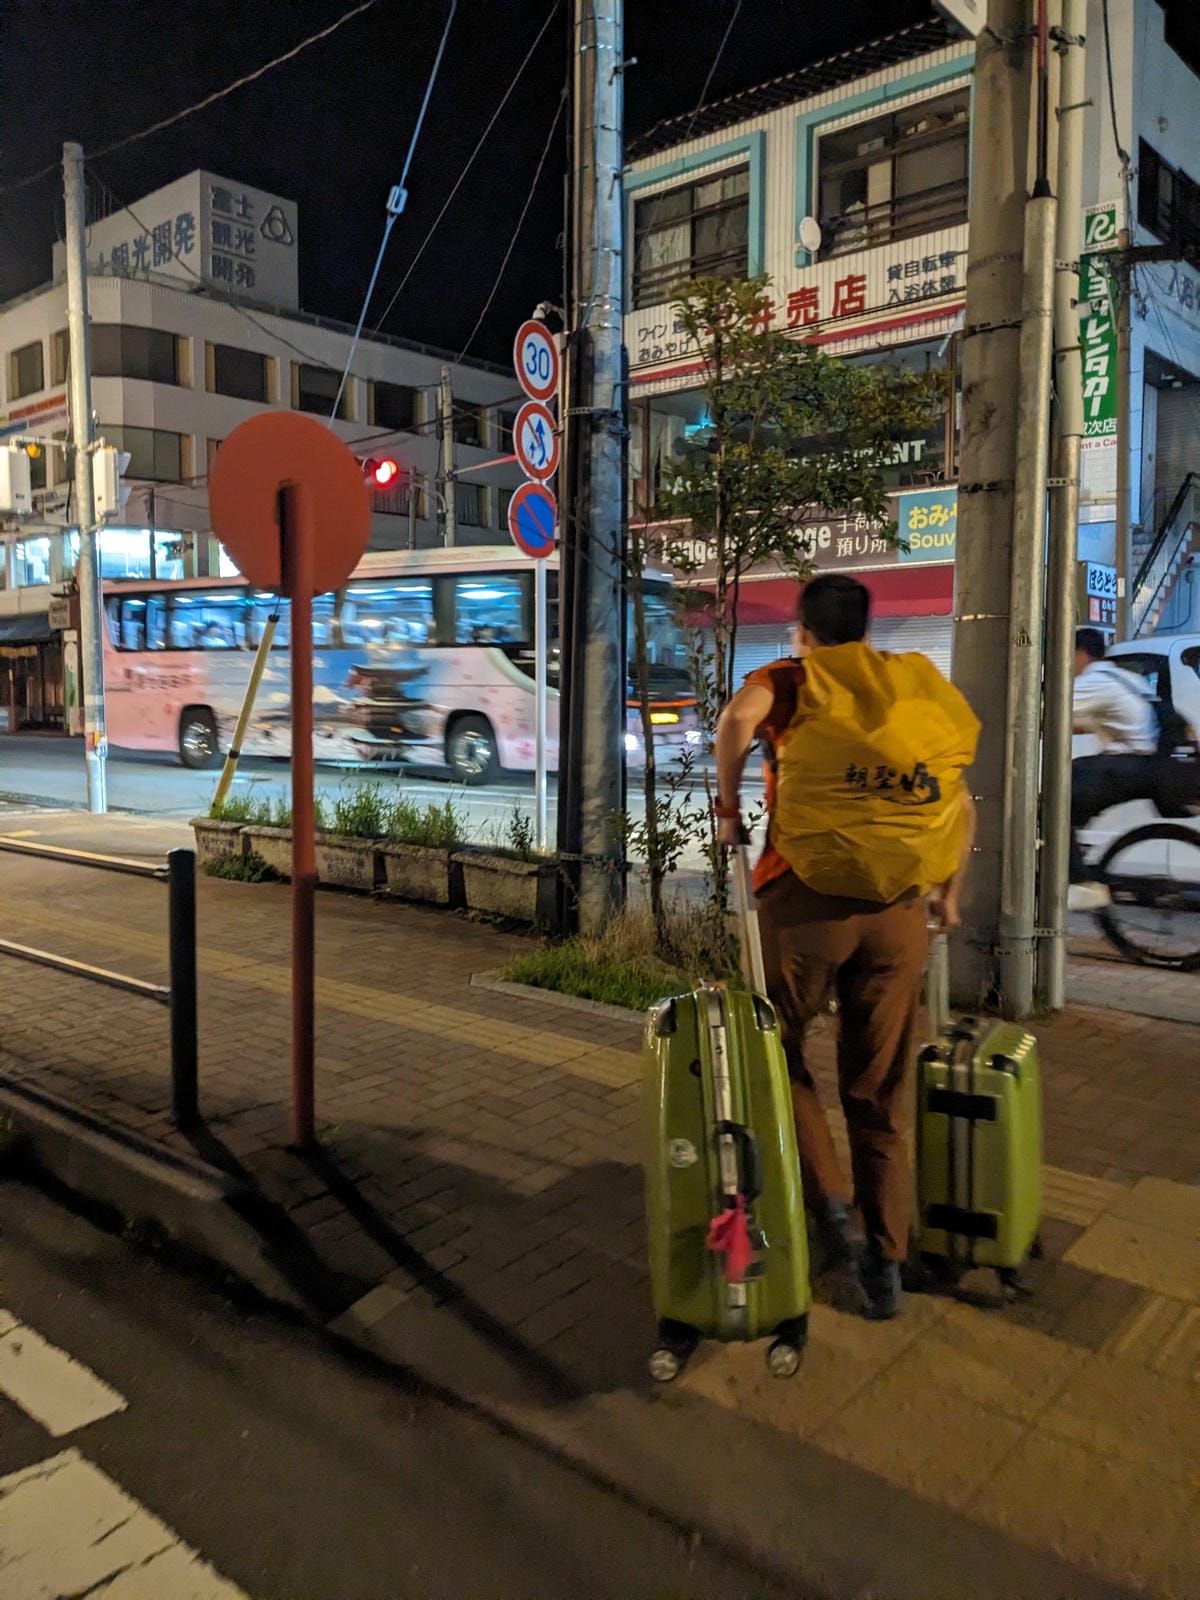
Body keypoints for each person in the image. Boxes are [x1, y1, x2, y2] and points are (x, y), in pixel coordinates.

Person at [714, 574, 978, 1320]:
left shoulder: (793, 680)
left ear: (802, 629)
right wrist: (947, 893)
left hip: (806, 903)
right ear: (867, 627)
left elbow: (736, 721)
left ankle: (828, 1198)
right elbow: (959, 803)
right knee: (879, 1087)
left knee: (777, 1048)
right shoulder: (904, 693)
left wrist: (730, 810)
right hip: (898, 913)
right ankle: (886, 1258)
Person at [1069, 627, 1159, 911]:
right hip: (1148, 764)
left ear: (1080, 654)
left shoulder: (1095, 681)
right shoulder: (1124, 677)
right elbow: (1090, 719)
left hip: (1128, 765)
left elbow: (1053, 710)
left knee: (1053, 801)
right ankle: (1074, 845)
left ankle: (1079, 882)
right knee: (1073, 775)